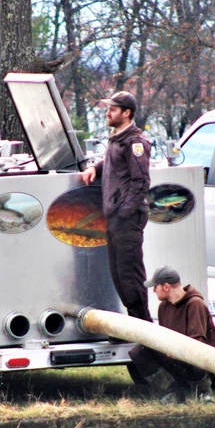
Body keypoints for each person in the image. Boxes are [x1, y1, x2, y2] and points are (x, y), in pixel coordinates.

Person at [80, 91, 152, 322]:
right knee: (119, 276)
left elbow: (141, 182)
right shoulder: (118, 139)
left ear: (126, 113)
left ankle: (143, 328)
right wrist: (95, 168)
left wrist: (124, 212)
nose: (107, 112)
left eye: (113, 109)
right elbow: (113, 162)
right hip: (115, 217)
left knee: (130, 277)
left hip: (126, 218)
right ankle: (133, 325)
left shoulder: (135, 143)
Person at [129, 265, 215, 404]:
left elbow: (198, 343)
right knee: (138, 352)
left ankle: (203, 392)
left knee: (197, 351)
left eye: (155, 286)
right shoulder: (163, 307)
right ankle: (173, 392)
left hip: (199, 361)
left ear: (166, 287)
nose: (153, 290)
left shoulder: (195, 304)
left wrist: (177, 350)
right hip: (176, 358)